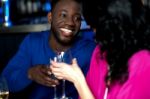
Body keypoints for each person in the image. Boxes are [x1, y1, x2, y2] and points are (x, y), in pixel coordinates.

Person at [50, 0, 150, 99]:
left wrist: (78, 80)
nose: (95, 33)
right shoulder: (100, 53)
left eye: (95, 27)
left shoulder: (143, 61)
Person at [1, 0, 96, 98]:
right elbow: (5, 82)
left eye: (77, 18)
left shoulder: (89, 50)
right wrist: (30, 74)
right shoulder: (33, 42)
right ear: (50, 18)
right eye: (63, 15)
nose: (70, 23)